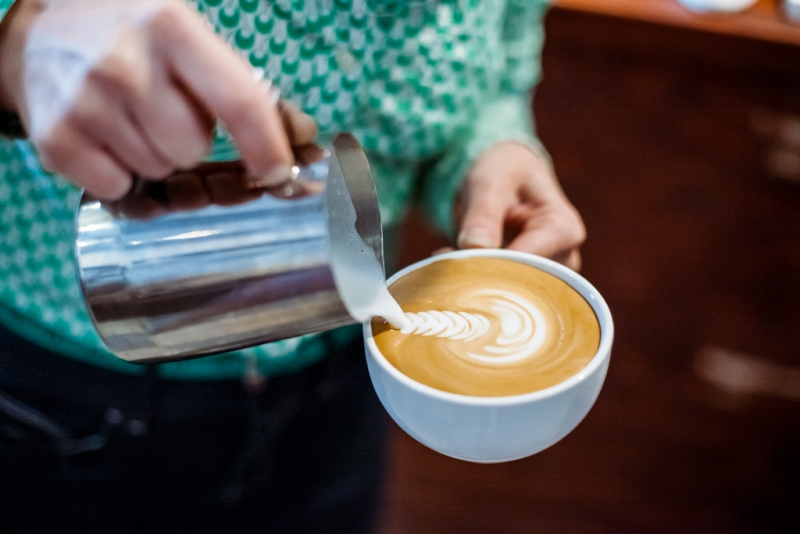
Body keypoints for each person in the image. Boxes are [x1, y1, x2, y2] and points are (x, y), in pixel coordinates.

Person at [0, 0, 585, 531]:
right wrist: (21, 36)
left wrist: (491, 151)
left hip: (338, 387)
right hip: (65, 405)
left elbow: (502, 72)